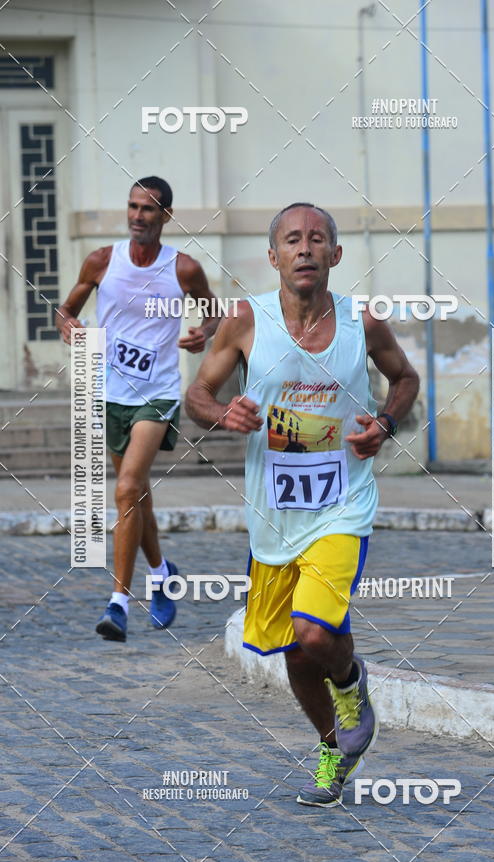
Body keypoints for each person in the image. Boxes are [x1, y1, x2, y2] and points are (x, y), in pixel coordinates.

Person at [185, 202, 419, 807]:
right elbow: (197, 395)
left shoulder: (361, 323)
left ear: (336, 256)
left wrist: (385, 424)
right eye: (293, 240)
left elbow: (406, 379)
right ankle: (331, 743)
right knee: (292, 647)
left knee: (316, 636)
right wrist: (223, 413)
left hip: (343, 504)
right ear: (274, 256)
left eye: (318, 239)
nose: (306, 248)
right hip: (274, 516)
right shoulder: (245, 321)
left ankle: (350, 684)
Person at [56, 176, 218, 643]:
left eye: (148, 210)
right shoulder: (102, 261)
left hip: (158, 393)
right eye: (132, 207)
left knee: (126, 489)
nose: (137, 217)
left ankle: (119, 603)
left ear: (165, 216)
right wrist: (67, 326)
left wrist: (201, 334)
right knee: (137, 494)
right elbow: (67, 307)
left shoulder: (183, 269)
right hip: (107, 393)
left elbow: (213, 312)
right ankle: (164, 572)